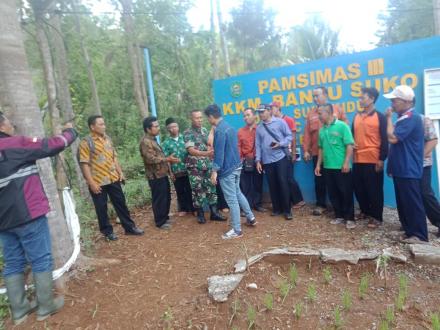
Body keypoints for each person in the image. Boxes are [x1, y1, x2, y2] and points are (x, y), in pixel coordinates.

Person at [0, 112, 76, 324]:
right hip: (28, 214)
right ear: (2, 125)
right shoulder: (15, 144)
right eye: (8, 120)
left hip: (3, 221)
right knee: (41, 258)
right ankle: (45, 307)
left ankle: (19, 311)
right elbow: (52, 145)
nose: (12, 124)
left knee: (13, 262)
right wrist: (70, 132)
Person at [79, 115, 144, 241]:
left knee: (121, 203)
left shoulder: (107, 138)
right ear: (92, 127)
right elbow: (84, 164)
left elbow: (114, 157)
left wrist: (120, 172)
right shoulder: (86, 142)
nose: (104, 126)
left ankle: (129, 228)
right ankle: (107, 232)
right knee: (101, 208)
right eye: (101, 124)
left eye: (104, 124)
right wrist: (91, 183)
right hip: (98, 182)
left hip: (113, 178)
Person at [384, 85, 428, 244]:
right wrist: (391, 167)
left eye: (394, 100)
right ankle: (409, 231)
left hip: (408, 168)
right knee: (403, 202)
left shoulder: (411, 117)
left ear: (406, 101)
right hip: (401, 168)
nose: (392, 104)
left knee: (412, 202)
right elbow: (396, 146)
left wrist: (388, 119)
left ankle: (420, 235)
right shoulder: (403, 118)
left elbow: (393, 139)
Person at [205, 105, 256, 239]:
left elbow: (220, 154)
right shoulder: (229, 127)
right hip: (236, 166)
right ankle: (251, 217)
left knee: (232, 199)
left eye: (207, 118)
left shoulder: (220, 131)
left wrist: (214, 170)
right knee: (238, 193)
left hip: (227, 170)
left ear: (210, 117)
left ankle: (237, 229)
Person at [303, 86, 348, 216]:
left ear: (326, 95)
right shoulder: (311, 114)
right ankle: (321, 205)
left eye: (317, 95)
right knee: (319, 180)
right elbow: (307, 134)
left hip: (335, 154)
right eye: (314, 96)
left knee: (338, 182)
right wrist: (306, 150)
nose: (315, 98)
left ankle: (341, 208)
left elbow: (345, 128)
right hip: (318, 153)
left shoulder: (337, 110)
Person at [315, 104, 356, 229]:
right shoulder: (322, 130)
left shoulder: (342, 126)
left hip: (341, 166)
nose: (319, 116)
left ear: (328, 113)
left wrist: (346, 162)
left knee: (346, 192)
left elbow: (349, 145)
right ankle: (339, 216)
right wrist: (318, 165)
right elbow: (321, 149)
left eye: (320, 113)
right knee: (333, 193)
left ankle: (350, 218)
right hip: (328, 167)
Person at [352, 87, 388, 228]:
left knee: (374, 189)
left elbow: (385, 140)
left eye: (362, 97)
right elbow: (351, 135)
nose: (360, 100)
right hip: (357, 159)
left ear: (372, 99)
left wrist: (381, 159)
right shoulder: (356, 116)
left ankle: (377, 217)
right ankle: (365, 211)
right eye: (359, 97)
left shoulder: (380, 117)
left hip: (373, 159)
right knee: (359, 188)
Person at [183, 109, 226, 224]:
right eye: (197, 118)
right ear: (191, 119)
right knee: (197, 190)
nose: (200, 120)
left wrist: (210, 151)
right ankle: (200, 214)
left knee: (211, 188)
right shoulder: (188, 133)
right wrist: (206, 153)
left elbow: (208, 144)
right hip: (195, 167)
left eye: (201, 118)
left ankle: (214, 213)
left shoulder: (205, 130)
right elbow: (191, 151)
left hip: (207, 165)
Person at [140, 117, 179, 229]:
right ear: (148, 129)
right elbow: (150, 159)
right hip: (155, 175)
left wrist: (168, 168)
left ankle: (164, 217)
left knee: (165, 196)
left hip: (162, 173)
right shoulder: (145, 142)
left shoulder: (153, 140)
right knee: (159, 198)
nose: (158, 128)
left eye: (158, 126)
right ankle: (160, 221)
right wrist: (167, 159)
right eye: (155, 126)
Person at [255, 104, 293, 220]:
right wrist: (258, 161)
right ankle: (277, 209)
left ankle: (287, 211)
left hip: (280, 157)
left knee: (283, 182)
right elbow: (257, 145)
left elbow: (289, 136)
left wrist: (280, 144)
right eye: (259, 112)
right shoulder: (259, 128)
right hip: (267, 161)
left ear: (269, 111)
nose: (260, 114)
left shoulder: (280, 122)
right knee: (272, 184)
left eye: (262, 112)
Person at [270, 101, 305, 209]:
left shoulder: (288, 120)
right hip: (276, 154)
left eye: (272, 108)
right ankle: (286, 201)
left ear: (278, 108)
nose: (271, 111)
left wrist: (293, 153)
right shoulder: (271, 122)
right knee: (281, 179)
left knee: (289, 177)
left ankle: (299, 200)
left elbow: (293, 137)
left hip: (287, 153)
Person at [162, 117, 195, 217]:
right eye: (171, 127)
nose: (174, 129)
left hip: (188, 169)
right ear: (168, 129)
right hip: (176, 171)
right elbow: (167, 159)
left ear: (178, 126)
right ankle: (183, 208)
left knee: (190, 189)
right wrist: (170, 173)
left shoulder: (185, 138)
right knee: (180, 190)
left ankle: (192, 208)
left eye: (175, 126)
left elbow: (192, 152)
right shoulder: (165, 143)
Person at [238, 108, 266, 212]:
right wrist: (240, 160)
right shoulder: (240, 131)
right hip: (245, 161)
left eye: (248, 115)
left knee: (258, 183)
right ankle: (247, 206)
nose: (246, 118)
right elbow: (238, 147)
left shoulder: (260, 128)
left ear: (255, 116)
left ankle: (257, 204)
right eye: (244, 116)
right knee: (245, 185)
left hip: (258, 161)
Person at [421, 116, 440, 236]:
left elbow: (433, 140)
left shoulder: (424, 120)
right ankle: (415, 222)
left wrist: (419, 157)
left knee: (425, 193)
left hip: (422, 165)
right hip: (409, 167)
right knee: (412, 195)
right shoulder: (401, 120)